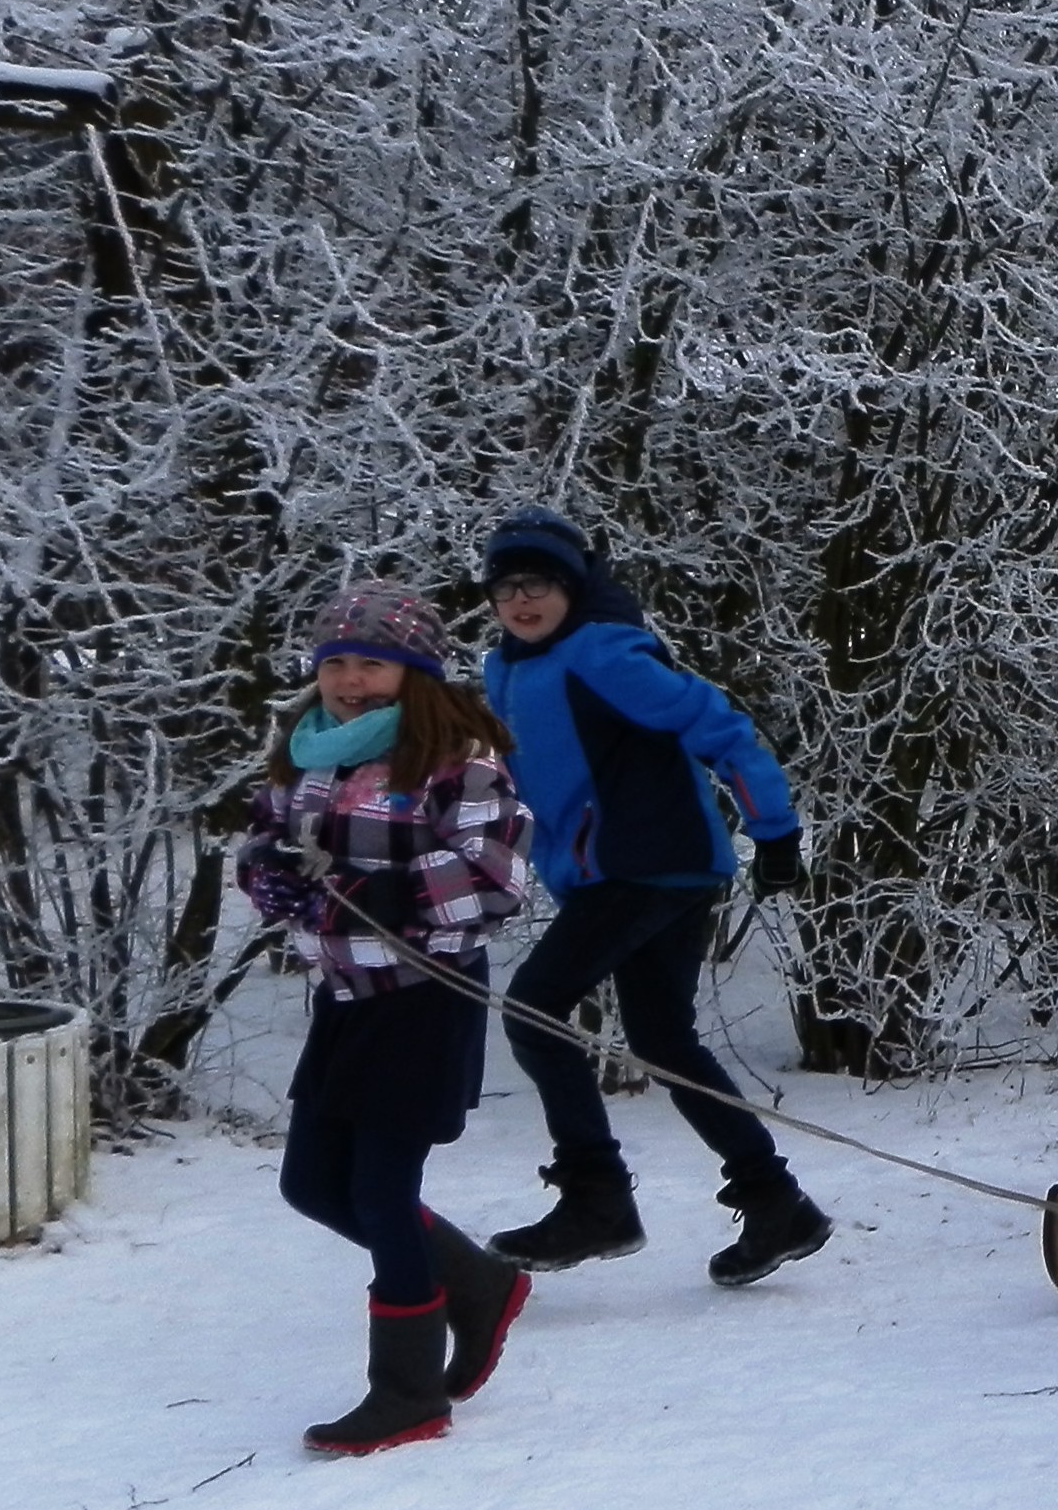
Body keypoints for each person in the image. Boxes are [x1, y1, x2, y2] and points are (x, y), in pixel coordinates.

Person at [474, 507, 829, 1287]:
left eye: (539, 583)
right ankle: (777, 1203)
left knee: (535, 1008)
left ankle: (597, 1195)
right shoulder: (504, 672)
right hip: (613, 874)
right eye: (506, 588)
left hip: (651, 861)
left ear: (573, 587)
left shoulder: (605, 653)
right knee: (665, 1042)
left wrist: (774, 830)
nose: (522, 600)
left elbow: (720, 728)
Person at [233, 586, 536, 1457]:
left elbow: (494, 882)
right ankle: (478, 1283)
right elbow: (263, 840)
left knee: (379, 1192)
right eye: (336, 663)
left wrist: (372, 892)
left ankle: (406, 1392)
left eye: (372, 663)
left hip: (425, 1000)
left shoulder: (457, 757)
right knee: (312, 1186)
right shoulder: (308, 752)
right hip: (342, 998)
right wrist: (272, 878)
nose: (351, 680)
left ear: (414, 675)